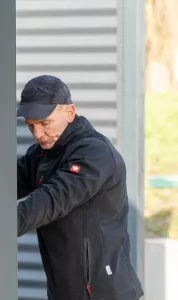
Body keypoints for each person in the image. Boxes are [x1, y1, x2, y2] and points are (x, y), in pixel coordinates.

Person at [15, 75, 144, 300]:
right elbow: (2, 185)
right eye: (30, 125)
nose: (37, 134)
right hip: (64, 290)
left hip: (103, 293)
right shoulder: (42, 154)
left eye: (44, 123)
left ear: (70, 113)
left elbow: (50, 200)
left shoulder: (94, 153)